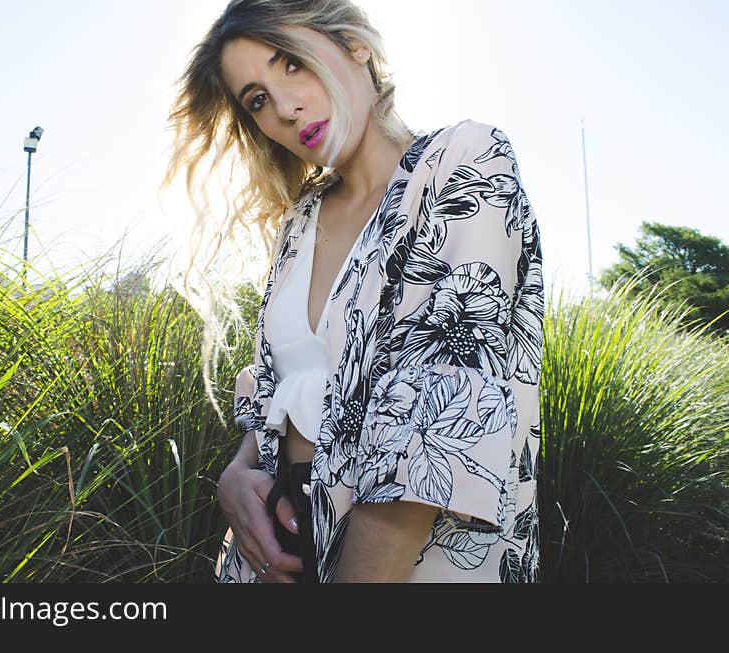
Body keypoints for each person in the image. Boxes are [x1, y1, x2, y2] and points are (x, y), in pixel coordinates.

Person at [161, 0, 544, 583]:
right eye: (257, 99)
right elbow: (280, 388)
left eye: (292, 63)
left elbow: (439, 411)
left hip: (406, 565)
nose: (286, 109)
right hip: (270, 561)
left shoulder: (461, 162)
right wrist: (236, 476)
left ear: (354, 46)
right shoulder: (299, 222)